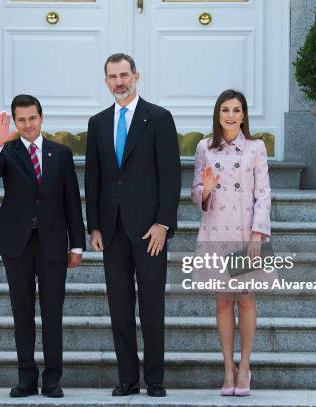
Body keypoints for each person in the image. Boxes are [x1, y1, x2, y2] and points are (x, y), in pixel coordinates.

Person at [85, 53, 181, 397]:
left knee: (152, 305)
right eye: (112, 76)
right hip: (111, 230)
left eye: (124, 75)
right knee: (119, 307)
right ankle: (127, 378)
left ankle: (154, 378)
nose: (119, 82)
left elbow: (171, 176)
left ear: (136, 76)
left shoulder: (158, 118)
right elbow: (93, 178)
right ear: (106, 81)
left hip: (149, 231)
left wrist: (163, 223)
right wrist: (93, 226)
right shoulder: (97, 123)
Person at [0, 94, 85, 399]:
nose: (27, 124)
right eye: (21, 120)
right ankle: (26, 378)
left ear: (41, 117)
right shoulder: (7, 151)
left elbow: (71, 202)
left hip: (52, 243)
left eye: (32, 118)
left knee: (53, 312)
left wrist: (76, 245)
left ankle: (52, 379)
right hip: (17, 245)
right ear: (15, 122)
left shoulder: (61, 154)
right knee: (22, 312)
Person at [191, 89, 272, 397]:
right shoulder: (204, 147)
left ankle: (246, 367)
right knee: (224, 301)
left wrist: (256, 238)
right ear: (218, 113)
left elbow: (263, 194)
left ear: (243, 114)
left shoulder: (256, 147)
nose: (231, 115)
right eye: (225, 109)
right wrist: (206, 189)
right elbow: (194, 193)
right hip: (216, 235)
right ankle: (228, 368)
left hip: (246, 236)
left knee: (247, 300)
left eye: (236, 110)